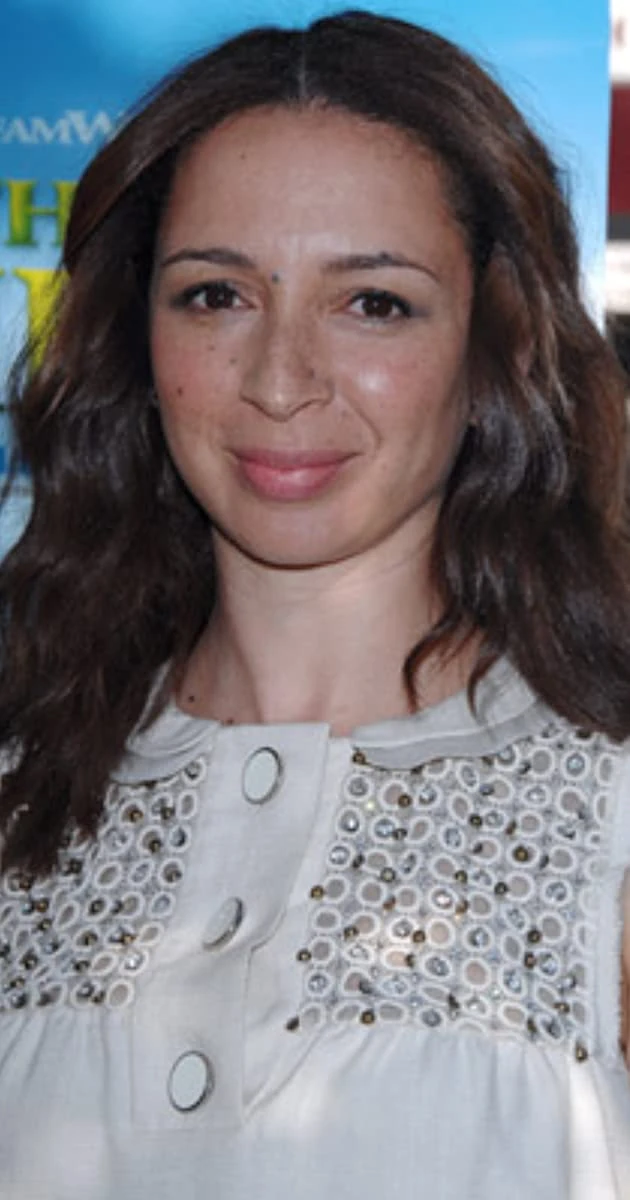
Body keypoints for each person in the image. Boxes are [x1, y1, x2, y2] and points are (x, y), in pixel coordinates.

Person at [0, 9, 629, 1198]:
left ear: (494, 343)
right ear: (136, 336)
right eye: (215, 295)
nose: (281, 382)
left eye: (374, 302)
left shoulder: (609, 823)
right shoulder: (22, 796)